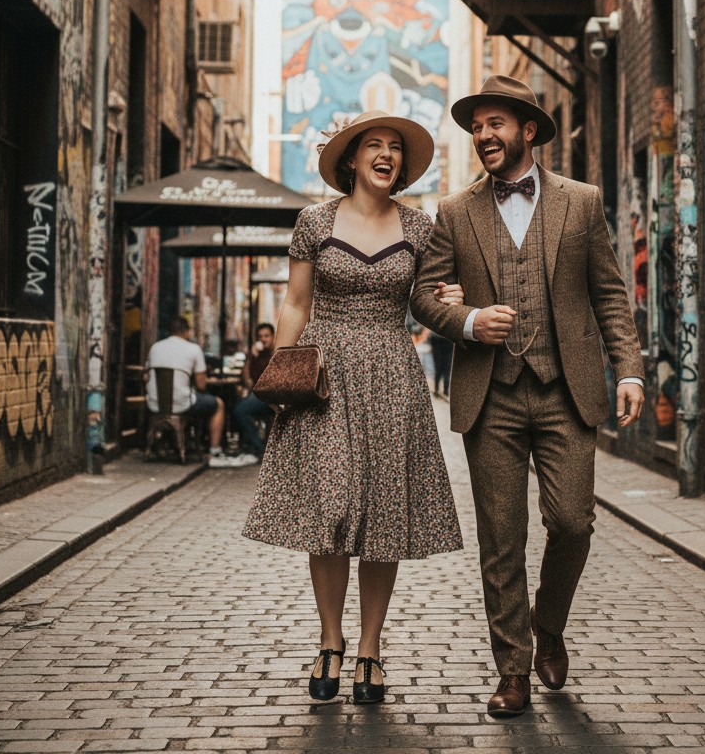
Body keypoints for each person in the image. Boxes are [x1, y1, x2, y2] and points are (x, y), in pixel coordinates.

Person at [410, 75, 645, 717]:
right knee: (501, 536)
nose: (483, 136)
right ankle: (511, 670)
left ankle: (549, 623)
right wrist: (466, 322)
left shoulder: (583, 201)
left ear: (528, 131)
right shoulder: (456, 212)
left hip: (567, 390)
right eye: (477, 126)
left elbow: (609, 293)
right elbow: (424, 295)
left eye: (494, 125)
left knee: (573, 522)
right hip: (492, 395)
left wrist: (628, 369)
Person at [243, 110, 464, 705]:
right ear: (352, 159)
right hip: (328, 374)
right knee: (332, 510)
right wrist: (281, 375)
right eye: (375, 145)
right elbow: (295, 302)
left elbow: (425, 299)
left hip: (393, 374)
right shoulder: (314, 221)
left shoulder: (420, 228)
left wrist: (448, 296)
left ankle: (369, 649)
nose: (387, 154)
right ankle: (330, 639)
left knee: (383, 517)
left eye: (395, 147)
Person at [145, 316, 246, 468]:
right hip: (182, 404)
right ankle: (214, 450)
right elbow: (201, 385)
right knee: (218, 404)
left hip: (154, 403)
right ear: (186, 331)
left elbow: (146, 375)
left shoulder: (155, 347)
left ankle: (171, 444)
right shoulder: (193, 349)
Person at [231, 322, 276, 461]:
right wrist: (250, 357)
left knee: (240, 410)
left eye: (266, 336)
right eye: (260, 336)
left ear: (273, 336)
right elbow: (245, 377)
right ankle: (255, 446)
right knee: (237, 408)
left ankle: (259, 447)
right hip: (259, 395)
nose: (263, 339)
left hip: (273, 395)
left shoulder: (277, 352)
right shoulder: (257, 354)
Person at [429, 330, 453, 398]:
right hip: (445, 342)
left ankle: (439, 390)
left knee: (440, 369)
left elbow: (432, 336)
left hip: (439, 342)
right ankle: (443, 391)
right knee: (445, 369)